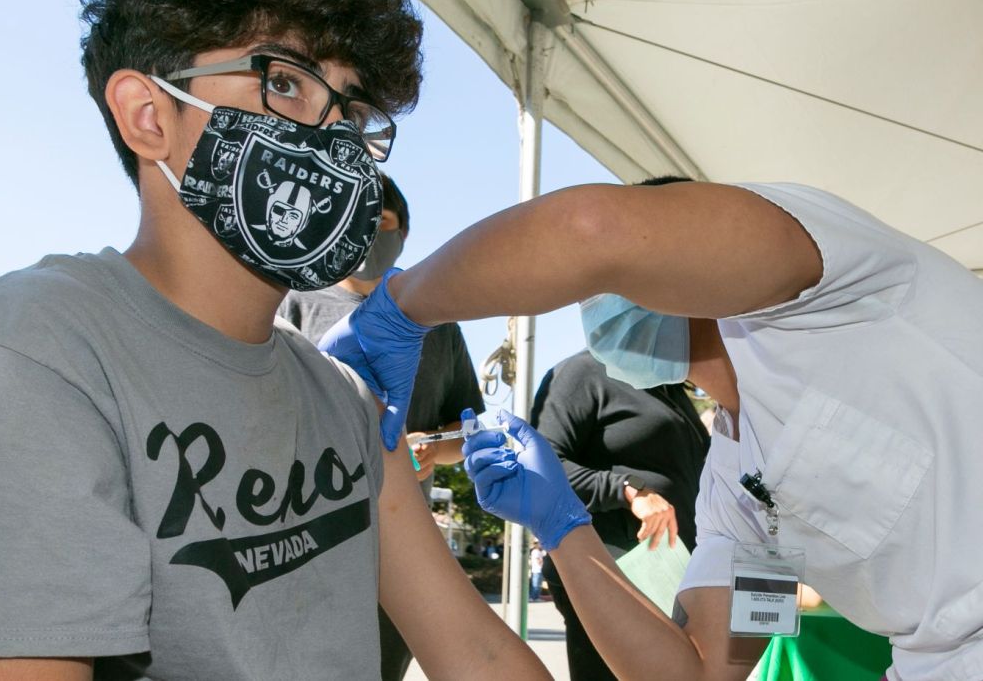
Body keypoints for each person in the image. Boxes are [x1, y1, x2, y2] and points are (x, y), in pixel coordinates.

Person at [0, 1, 552, 680]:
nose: (332, 139)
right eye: (286, 82)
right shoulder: (34, 350)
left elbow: (474, 650)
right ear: (149, 115)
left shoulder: (343, 396)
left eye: (352, 112)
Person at [319, 174, 983, 681]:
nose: (593, 306)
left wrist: (401, 307)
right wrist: (565, 529)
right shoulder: (739, 485)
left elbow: (591, 228)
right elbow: (699, 673)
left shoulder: (829, 280)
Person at [277, 172, 485, 681]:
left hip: (401, 548)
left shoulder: (437, 323)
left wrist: (433, 448)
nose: (368, 232)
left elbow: (469, 430)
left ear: (404, 232)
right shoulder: (292, 304)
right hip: (307, 542)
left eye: (382, 221)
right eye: (354, 218)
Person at [531, 348, 709, 679]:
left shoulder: (668, 385)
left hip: (673, 579)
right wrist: (629, 489)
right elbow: (539, 468)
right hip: (608, 575)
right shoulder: (582, 373)